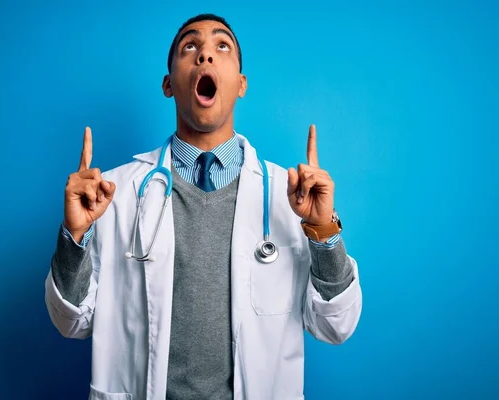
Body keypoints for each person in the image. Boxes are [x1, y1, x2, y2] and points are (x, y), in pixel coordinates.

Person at [45, 13, 362, 400]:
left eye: (221, 46)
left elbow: (336, 326)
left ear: (242, 84)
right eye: (190, 47)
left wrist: (323, 233)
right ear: (168, 85)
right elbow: (70, 322)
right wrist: (74, 235)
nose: (205, 56)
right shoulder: (113, 193)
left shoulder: (289, 194)